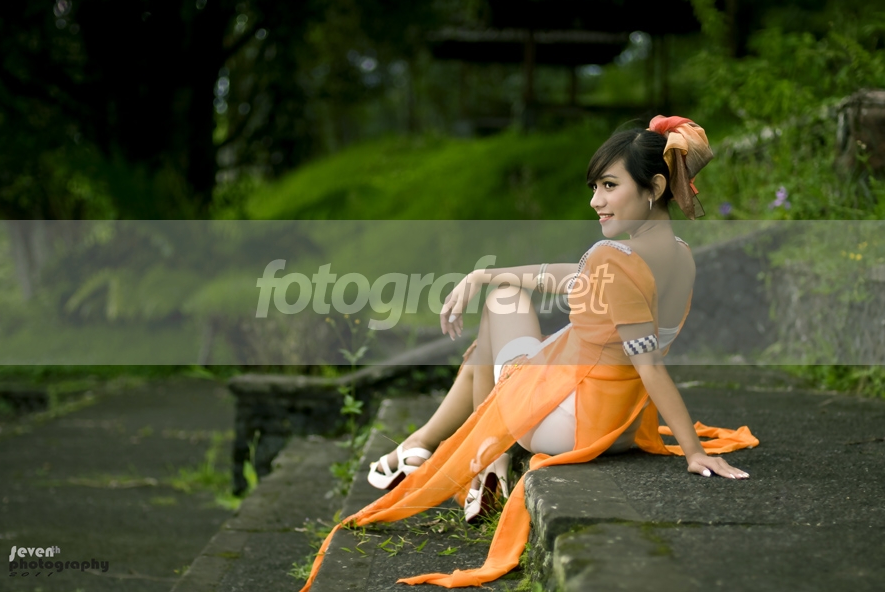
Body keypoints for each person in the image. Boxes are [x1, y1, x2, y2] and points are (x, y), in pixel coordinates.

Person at [300, 116, 758, 590]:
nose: (595, 201)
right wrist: (483, 273)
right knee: (495, 326)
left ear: (655, 187)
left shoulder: (614, 259)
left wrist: (694, 453)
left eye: (609, 185)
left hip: (570, 424)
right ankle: (439, 449)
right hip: (619, 427)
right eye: (595, 187)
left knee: (500, 304)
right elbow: (572, 278)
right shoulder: (680, 254)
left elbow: (650, 365)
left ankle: (478, 458)